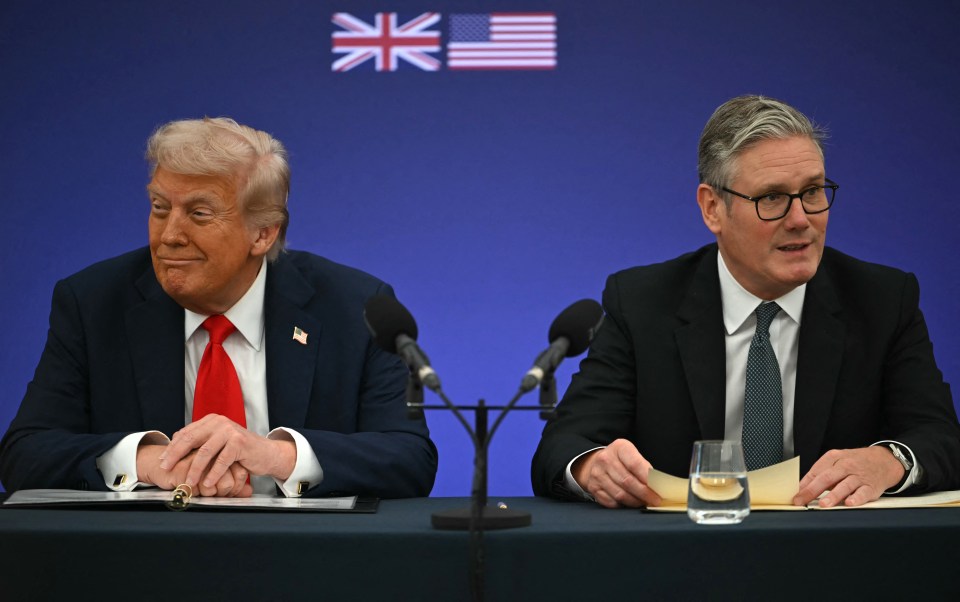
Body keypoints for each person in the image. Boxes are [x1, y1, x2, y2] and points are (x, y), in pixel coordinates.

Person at [531, 95, 960, 509]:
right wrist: (593, 467)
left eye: (812, 192)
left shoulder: (881, 301)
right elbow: (564, 445)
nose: (800, 220)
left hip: (835, 557)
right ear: (713, 208)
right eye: (771, 198)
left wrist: (888, 461)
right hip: (681, 559)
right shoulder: (643, 303)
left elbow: (941, 439)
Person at [0, 117, 437, 499]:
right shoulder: (94, 302)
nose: (169, 235)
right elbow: (25, 452)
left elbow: (408, 456)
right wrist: (145, 460)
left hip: (304, 562)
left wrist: (274, 455)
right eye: (159, 207)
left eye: (200, 213)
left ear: (263, 234)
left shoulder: (353, 305)